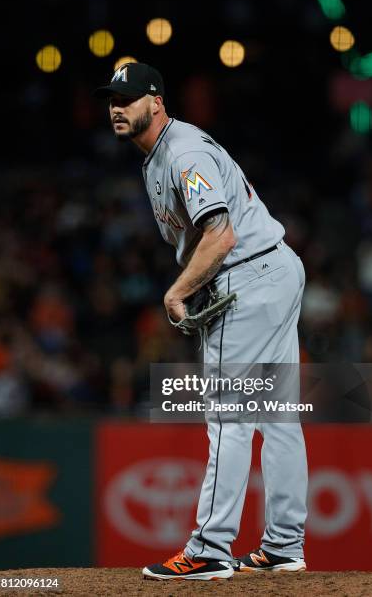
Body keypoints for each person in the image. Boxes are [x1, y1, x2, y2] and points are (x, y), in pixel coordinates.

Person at [94, 62, 308, 581]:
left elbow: (220, 235)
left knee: (228, 417)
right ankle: (284, 544)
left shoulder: (181, 151)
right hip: (273, 269)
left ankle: (209, 548)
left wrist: (178, 290)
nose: (117, 108)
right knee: (278, 417)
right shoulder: (162, 151)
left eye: (129, 99)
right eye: (112, 100)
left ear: (157, 101)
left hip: (245, 279)